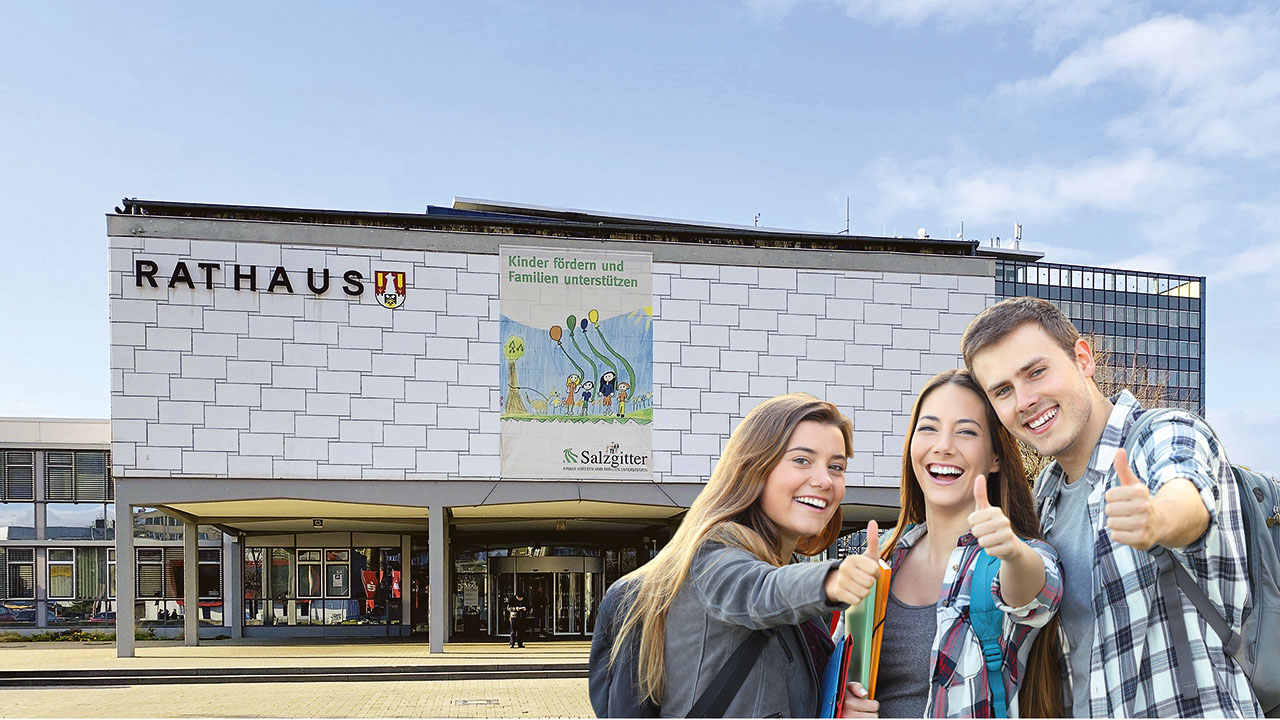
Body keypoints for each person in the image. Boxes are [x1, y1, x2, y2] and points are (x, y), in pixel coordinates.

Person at [963, 297, 1260, 718]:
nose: (1025, 400)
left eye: (1036, 372)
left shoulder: (1162, 432)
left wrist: (1157, 520)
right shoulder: (1045, 495)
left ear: (1083, 358)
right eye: (1004, 390)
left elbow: (1188, 499)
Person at [588, 393, 879, 717]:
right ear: (754, 467)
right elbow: (756, 589)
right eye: (802, 460)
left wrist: (838, 709)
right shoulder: (712, 556)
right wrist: (832, 580)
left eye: (836, 467)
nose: (825, 480)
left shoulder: (788, 579)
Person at [842, 369, 1064, 719]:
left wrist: (1011, 551)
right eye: (928, 428)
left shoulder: (1013, 556)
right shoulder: (883, 557)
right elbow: (839, 681)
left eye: (966, 432)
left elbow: (1037, 595)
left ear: (995, 458)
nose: (943, 446)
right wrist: (847, 706)